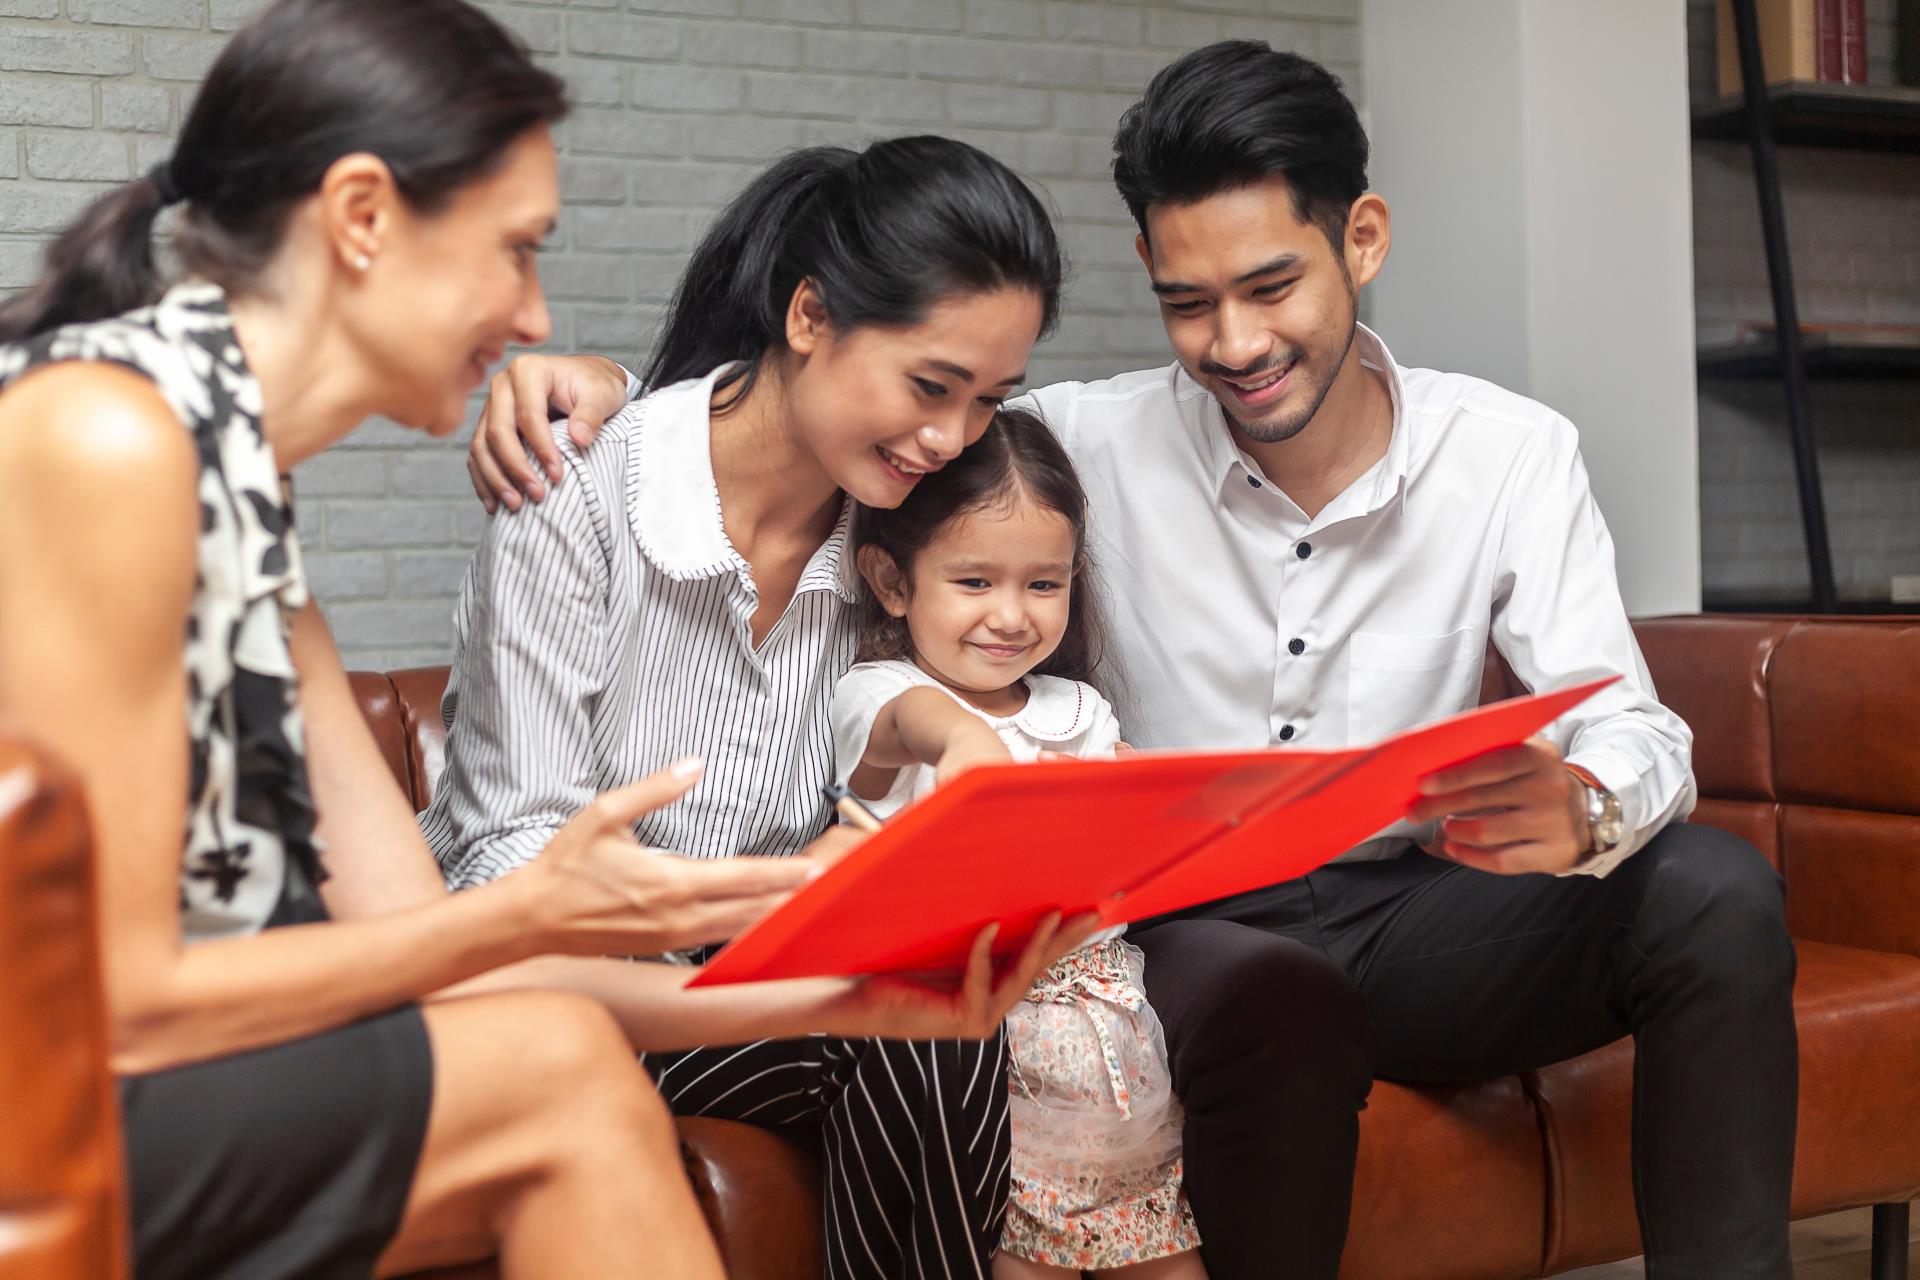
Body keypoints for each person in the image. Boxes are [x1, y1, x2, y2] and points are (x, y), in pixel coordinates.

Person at [466, 40, 1797, 1280]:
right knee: (1152, 1009)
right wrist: (591, 384)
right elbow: (813, 408)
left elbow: (1634, 726)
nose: (1234, 344)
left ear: (1363, 242)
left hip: (1416, 906)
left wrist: (1582, 806)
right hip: (1174, 927)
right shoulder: (1039, 447)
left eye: (1271, 286)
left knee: (1712, 894)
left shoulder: (1505, 454)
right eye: (1187, 303)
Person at [0, 4, 1080, 1276]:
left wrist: (853, 997)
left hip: (234, 1059)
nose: (534, 317)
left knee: (567, 1057)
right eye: (514, 251)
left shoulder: (241, 492)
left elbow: (422, 945)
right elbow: (109, 1003)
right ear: (361, 217)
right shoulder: (107, 439)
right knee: (560, 1075)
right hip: (70, 1089)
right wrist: (538, 914)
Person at [420, 135, 1097, 1280]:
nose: (950, 438)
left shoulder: (901, 538)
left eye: (989, 401)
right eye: (930, 385)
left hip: (751, 982)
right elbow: (510, 866)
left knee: (932, 1026)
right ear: (809, 315)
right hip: (550, 992)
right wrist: (755, 912)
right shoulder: (578, 484)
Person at [831, 406, 1205, 1280]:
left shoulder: (1079, 711)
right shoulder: (882, 692)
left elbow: (1122, 877)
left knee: (1168, 1255)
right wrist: (964, 744)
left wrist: (1153, 808)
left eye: (1044, 584)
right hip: (994, 1070)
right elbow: (905, 726)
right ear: (892, 581)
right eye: (974, 583)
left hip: (1116, 1052)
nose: (1011, 616)